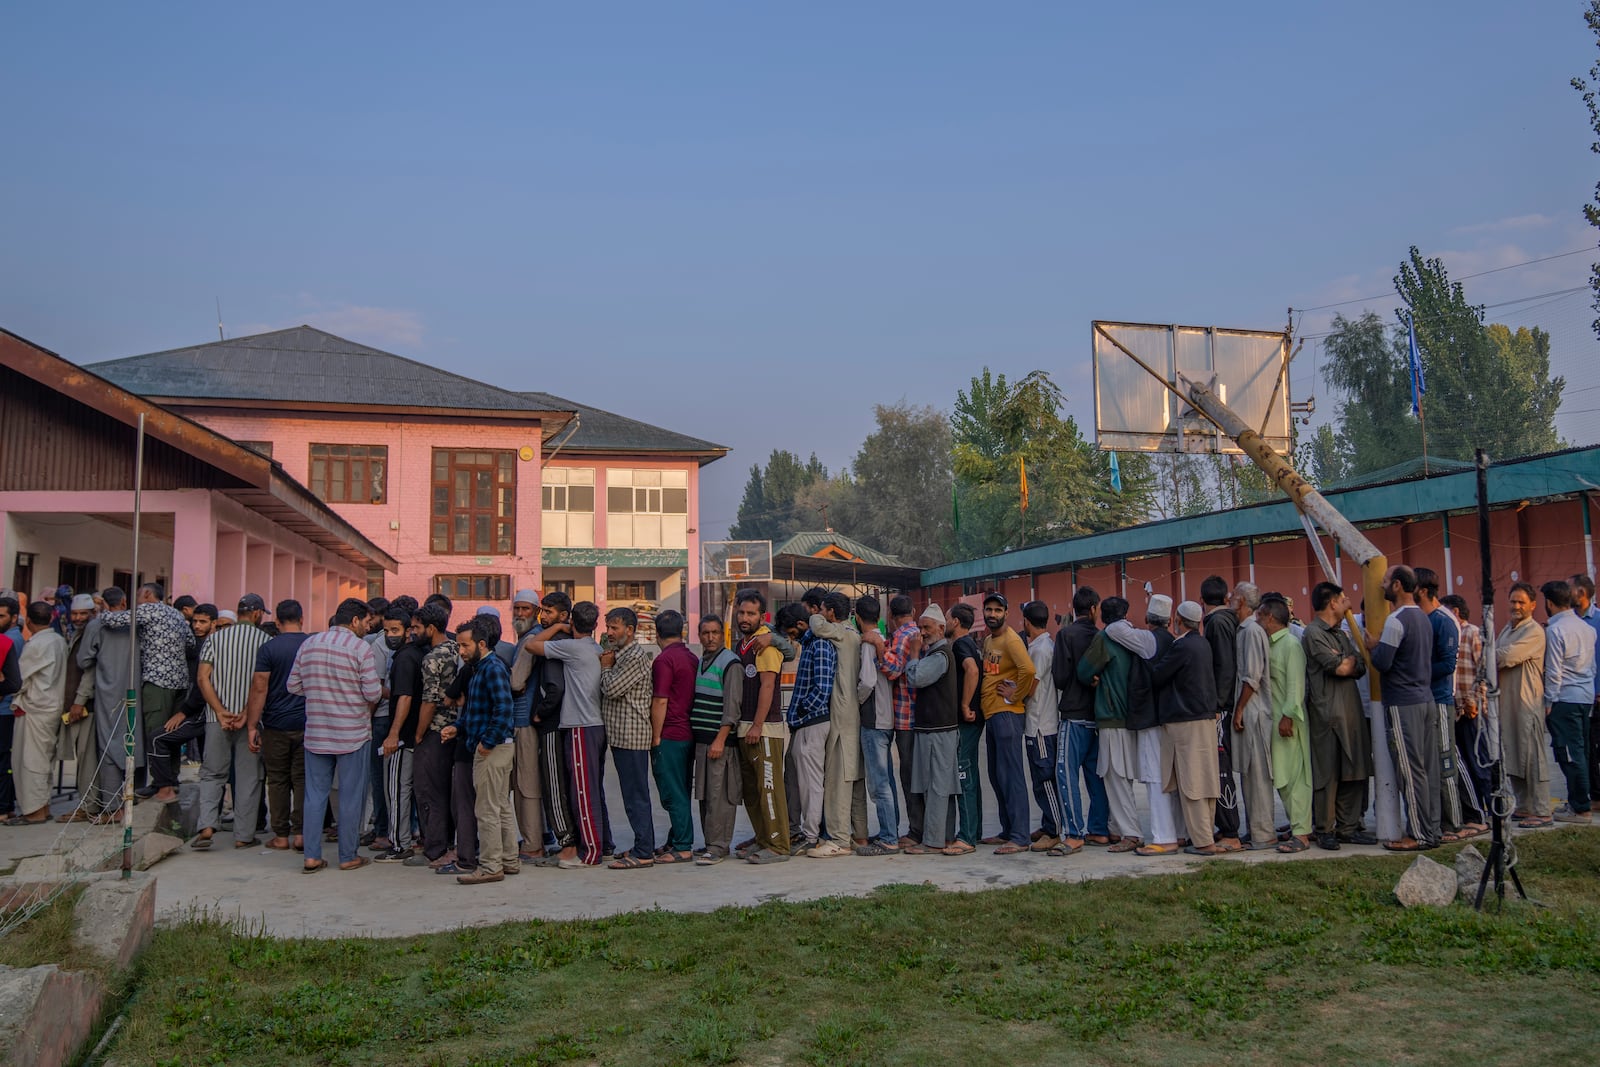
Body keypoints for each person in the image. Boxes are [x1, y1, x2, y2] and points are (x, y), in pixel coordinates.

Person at [289, 597, 383, 872]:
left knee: (314, 795)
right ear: (354, 621)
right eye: (366, 622)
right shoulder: (360, 649)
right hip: (352, 733)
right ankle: (347, 855)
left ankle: (311, 856)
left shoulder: (309, 644)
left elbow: (293, 685)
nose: (368, 627)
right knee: (351, 796)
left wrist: (320, 692)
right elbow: (373, 693)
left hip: (317, 733)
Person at [528, 600, 607, 868]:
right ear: (595, 625)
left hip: (580, 725)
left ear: (572, 621)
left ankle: (590, 853)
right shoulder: (596, 648)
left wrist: (558, 627)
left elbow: (532, 645)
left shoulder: (572, 647)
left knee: (582, 793)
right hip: (593, 725)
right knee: (589, 789)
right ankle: (599, 845)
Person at [1369, 565, 1442, 851]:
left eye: (1386, 581)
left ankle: (1419, 833)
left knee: (1411, 771)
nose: (1381, 586)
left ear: (1397, 585)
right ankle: (1431, 828)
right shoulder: (1423, 617)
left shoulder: (1395, 621)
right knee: (1427, 769)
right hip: (1425, 699)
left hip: (1403, 702)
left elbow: (1383, 662)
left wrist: (1373, 646)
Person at [190, 595, 270, 849]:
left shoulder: (215, 638)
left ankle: (206, 826)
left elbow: (203, 678)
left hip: (217, 719)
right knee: (248, 776)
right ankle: (243, 836)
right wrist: (247, 713)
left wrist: (220, 711)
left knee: (212, 773)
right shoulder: (266, 641)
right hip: (251, 722)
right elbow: (262, 684)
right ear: (257, 614)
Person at [443, 614, 517, 883]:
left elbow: (503, 709)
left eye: (464, 646)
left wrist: (487, 741)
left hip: (493, 749)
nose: (461, 651)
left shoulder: (493, 668)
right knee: (499, 806)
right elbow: (476, 711)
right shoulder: (480, 669)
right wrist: (458, 728)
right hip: (492, 746)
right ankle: (508, 860)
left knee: (486, 810)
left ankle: (490, 866)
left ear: (481, 644)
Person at [1302, 582, 1374, 850]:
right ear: (1332, 602)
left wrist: (1347, 661)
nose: (1348, 601)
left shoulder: (1342, 634)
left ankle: (1349, 826)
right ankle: (1325, 828)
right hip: (1327, 713)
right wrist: (1345, 662)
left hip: (1351, 711)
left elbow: (1359, 664)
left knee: (1354, 770)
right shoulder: (1313, 633)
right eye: (1343, 597)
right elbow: (1339, 667)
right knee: (1327, 774)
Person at [1151, 601, 1223, 855]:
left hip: (1185, 721)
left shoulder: (1181, 646)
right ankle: (1205, 835)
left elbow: (1157, 675)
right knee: (1205, 781)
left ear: (1179, 621)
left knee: (1191, 783)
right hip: (1204, 718)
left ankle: (1203, 842)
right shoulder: (1203, 643)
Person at [801, 591, 865, 860]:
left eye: (822, 609)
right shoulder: (855, 635)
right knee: (853, 777)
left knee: (838, 779)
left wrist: (815, 613)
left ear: (830, 613)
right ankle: (860, 834)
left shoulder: (840, 631)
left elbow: (815, 626)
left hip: (841, 715)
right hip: (853, 713)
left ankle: (839, 839)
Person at [1077, 596, 1143, 852]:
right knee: (1124, 776)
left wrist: (1095, 678)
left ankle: (1130, 832)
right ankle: (1117, 827)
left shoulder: (1105, 639)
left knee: (1115, 776)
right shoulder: (1135, 637)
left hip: (1111, 715)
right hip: (1134, 715)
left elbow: (1084, 670)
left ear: (1101, 615)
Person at [101, 584, 193, 769]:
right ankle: (171, 780)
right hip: (180, 682)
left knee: (156, 735)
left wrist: (101, 609)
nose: (135, 601)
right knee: (171, 734)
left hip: (158, 683)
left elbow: (113, 620)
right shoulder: (175, 614)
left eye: (137, 595)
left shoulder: (148, 609)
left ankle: (161, 784)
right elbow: (190, 641)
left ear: (148, 594)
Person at [245, 599, 310, 850]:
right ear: (301, 619)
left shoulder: (268, 648)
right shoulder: (310, 645)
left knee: (278, 780)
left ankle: (281, 835)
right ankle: (302, 834)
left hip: (275, 724)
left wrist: (252, 726)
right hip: (307, 722)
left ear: (278, 622)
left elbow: (259, 687)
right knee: (303, 779)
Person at [731, 588, 790, 863]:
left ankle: (778, 846)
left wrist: (757, 724)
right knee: (752, 792)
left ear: (761, 616)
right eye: (741, 612)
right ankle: (763, 838)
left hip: (764, 729)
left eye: (751, 613)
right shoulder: (742, 643)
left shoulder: (766, 643)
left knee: (769, 789)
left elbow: (767, 686)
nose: (745, 617)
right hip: (744, 728)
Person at [1415, 568, 1471, 841]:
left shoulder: (1443, 621)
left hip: (1439, 701)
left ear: (1423, 590)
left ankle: (1454, 823)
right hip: (1421, 701)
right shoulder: (1419, 618)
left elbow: (1448, 664)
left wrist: (1414, 670)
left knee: (1446, 761)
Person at [598, 606, 657, 869]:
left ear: (630, 631)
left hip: (632, 736)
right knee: (631, 795)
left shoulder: (633, 656)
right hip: (621, 736)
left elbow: (611, 689)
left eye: (615, 628)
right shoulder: (620, 654)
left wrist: (605, 668)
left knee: (636, 796)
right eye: (608, 627)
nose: (609, 632)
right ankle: (641, 844)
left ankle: (644, 851)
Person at [1120, 595, 1179, 854]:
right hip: (1169, 716)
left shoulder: (1148, 640)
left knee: (1155, 778)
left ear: (1147, 619)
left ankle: (1164, 837)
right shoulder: (1175, 641)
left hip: (1151, 719)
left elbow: (1114, 628)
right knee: (1171, 778)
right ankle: (1179, 831)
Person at [901, 603, 962, 855]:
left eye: (926, 627)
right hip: (937, 729)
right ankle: (944, 837)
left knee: (937, 787)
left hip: (938, 731)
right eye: (920, 627)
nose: (922, 632)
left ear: (940, 628)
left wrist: (913, 653)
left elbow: (914, 678)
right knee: (942, 786)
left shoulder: (939, 656)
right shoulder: (939, 653)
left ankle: (933, 841)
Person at [980, 592, 1036, 855]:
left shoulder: (1012, 640)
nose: (992, 614)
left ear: (1006, 613)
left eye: (997, 610)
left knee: (1011, 776)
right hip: (992, 714)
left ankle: (1020, 836)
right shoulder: (990, 640)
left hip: (1007, 714)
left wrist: (1017, 694)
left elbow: (1029, 671)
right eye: (988, 610)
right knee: (997, 776)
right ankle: (1007, 830)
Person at [1052, 587, 1106, 853]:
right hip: (1097, 715)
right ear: (1094, 608)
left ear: (1074, 609)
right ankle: (1100, 829)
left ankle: (1074, 832)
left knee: (1066, 772)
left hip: (1073, 715)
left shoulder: (1065, 635)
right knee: (1097, 775)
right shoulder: (1101, 636)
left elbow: (1060, 678)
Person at [75, 587, 137, 817]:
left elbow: (83, 660)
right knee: (131, 742)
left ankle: (113, 807)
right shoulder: (137, 622)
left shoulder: (97, 624)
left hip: (107, 690)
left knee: (109, 744)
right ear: (124, 601)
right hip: (134, 688)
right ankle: (131, 798)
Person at [1257, 596, 1312, 852]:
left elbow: (1295, 685)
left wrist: (1288, 716)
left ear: (1269, 617)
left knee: (1294, 778)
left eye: (1260, 616)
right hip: (1275, 721)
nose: (1257, 621)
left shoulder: (1290, 644)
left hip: (1287, 723)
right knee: (1282, 776)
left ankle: (1301, 834)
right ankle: (1296, 825)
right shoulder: (1269, 644)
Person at [527, 592, 577, 865]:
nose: (543, 616)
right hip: (568, 721)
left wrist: (539, 714)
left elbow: (555, 687)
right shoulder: (568, 640)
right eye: (543, 611)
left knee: (554, 783)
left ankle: (566, 843)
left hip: (552, 723)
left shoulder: (555, 643)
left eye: (549, 612)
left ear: (563, 615)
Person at [408, 603, 460, 869]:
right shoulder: (457, 648)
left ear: (431, 628)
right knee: (448, 792)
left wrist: (418, 733)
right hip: (456, 729)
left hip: (436, 730)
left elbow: (428, 701)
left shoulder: (432, 658)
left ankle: (436, 850)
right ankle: (449, 845)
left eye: (417, 627)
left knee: (429, 792)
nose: (413, 632)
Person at [1540, 579, 1595, 823]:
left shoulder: (1555, 631)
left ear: (1549, 603)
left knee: (1569, 754)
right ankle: (1580, 801)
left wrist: (1549, 701)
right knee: (1581, 751)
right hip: (1584, 696)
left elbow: (1553, 671)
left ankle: (1580, 806)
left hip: (1564, 698)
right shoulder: (1587, 628)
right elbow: (1592, 666)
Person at [1497, 583, 1552, 826]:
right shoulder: (1507, 629)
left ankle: (1541, 810)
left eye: (1521, 602)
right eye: (1513, 601)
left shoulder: (1534, 631)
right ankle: (1524, 806)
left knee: (1533, 758)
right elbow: (1499, 653)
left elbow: (1506, 656)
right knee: (1513, 755)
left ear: (1532, 605)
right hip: (1507, 703)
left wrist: (1490, 653)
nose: (1516, 606)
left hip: (1527, 702)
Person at [690, 615, 743, 865]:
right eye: (705, 633)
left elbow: (732, 708)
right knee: (705, 796)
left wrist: (720, 739)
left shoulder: (730, 663)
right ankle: (710, 842)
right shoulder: (703, 661)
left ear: (723, 635)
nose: (710, 638)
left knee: (720, 796)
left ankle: (719, 845)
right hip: (702, 741)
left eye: (715, 633)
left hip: (719, 743)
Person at [8, 600, 66, 825]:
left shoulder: (36, 645)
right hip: (51, 706)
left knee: (29, 761)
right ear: (51, 618)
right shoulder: (59, 641)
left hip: (36, 707)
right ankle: (42, 806)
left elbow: (19, 680)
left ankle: (34, 811)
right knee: (43, 760)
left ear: (28, 621)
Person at [782, 603, 833, 855]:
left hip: (812, 722)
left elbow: (823, 688)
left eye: (791, 633)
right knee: (806, 782)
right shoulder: (811, 644)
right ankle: (809, 832)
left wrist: (802, 709)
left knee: (812, 783)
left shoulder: (820, 645)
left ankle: (811, 835)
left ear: (801, 625)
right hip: (806, 722)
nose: (791, 639)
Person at [1231, 582, 1277, 851]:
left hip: (1254, 712)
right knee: (1250, 773)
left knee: (1258, 774)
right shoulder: (1246, 630)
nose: (1230, 598)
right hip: (1251, 709)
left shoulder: (1250, 631)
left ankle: (1263, 833)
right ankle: (1256, 830)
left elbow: (1252, 676)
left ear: (1243, 601)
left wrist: (1239, 709)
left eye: (1234, 595)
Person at [647, 608, 696, 863]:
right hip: (688, 732)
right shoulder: (690, 657)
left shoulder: (664, 661)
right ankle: (675, 838)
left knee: (672, 792)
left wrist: (656, 737)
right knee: (682, 789)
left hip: (670, 733)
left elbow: (660, 701)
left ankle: (683, 845)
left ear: (657, 633)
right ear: (682, 631)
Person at [873, 595, 922, 847]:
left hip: (906, 715)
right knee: (913, 774)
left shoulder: (903, 636)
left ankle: (916, 831)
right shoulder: (915, 631)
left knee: (910, 776)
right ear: (913, 610)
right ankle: (917, 828)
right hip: (916, 715)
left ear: (890, 615)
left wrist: (880, 647)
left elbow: (893, 670)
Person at [853, 596, 900, 855]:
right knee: (887, 781)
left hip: (873, 718)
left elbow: (868, 682)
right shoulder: (884, 639)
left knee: (879, 784)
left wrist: (855, 702)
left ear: (857, 617)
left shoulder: (869, 643)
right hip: (887, 717)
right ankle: (890, 831)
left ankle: (889, 838)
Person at [1199, 576, 1243, 851]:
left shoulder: (1217, 623)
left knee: (1221, 769)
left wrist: (1218, 705)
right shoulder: (1231, 620)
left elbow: (1224, 667)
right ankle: (1226, 826)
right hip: (1229, 703)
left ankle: (1230, 830)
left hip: (1222, 708)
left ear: (1202, 600)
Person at [1441, 593, 1490, 840]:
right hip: (1453, 709)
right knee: (1461, 764)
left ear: (1456, 612)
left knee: (1477, 761)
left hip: (1471, 710)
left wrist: (1475, 700)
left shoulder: (1471, 633)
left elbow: (1483, 670)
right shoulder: (1448, 634)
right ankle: (1470, 810)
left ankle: (1487, 811)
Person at [1020, 600, 1062, 852]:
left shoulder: (1040, 649)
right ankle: (1048, 824)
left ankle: (1054, 829)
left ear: (1026, 621)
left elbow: (1031, 686)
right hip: (1036, 724)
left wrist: (1011, 694)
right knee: (1039, 779)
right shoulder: (1042, 645)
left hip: (1041, 726)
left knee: (1045, 778)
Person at [506, 589, 544, 866]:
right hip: (523, 721)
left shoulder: (531, 639)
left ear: (536, 612)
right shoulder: (527, 638)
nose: (520, 614)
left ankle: (533, 844)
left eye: (525, 609)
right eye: (517, 609)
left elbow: (516, 682)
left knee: (526, 785)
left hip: (524, 722)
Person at [57, 595, 100, 823]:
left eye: (84, 613)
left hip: (86, 707)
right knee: (82, 758)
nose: (78, 618)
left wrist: (79, 701)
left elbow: (90, 671)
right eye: (75, 614)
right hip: (75, 704)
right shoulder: (77, 633)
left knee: (87, 759)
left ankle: (88, 807)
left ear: (93, 613)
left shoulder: (92, 634)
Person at [945, 602, 984, 854]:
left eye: (947, 618)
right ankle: (975, 830)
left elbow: (971, 670)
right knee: (971, 772)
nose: (945, 622)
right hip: (975, 719)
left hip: (967, 719)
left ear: (956, 622)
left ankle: (967, 837)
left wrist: (964, 703)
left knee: (963, 773)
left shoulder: (960, 645)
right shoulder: (971, 643)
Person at [1567, 573, 1600, 808]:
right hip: (1580, 698)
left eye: (1569, 589)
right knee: (1585, 749)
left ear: (1581, 593)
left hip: (1596, 695)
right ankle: (1593, 795)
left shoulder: (1597, 620)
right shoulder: (1568, 622)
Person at [0, 596, 23, 819]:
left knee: (3, 761)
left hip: (5, 710)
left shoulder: (9, 641)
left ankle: (4, 807)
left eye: (2, 616)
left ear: (14, 617)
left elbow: (14, 683)